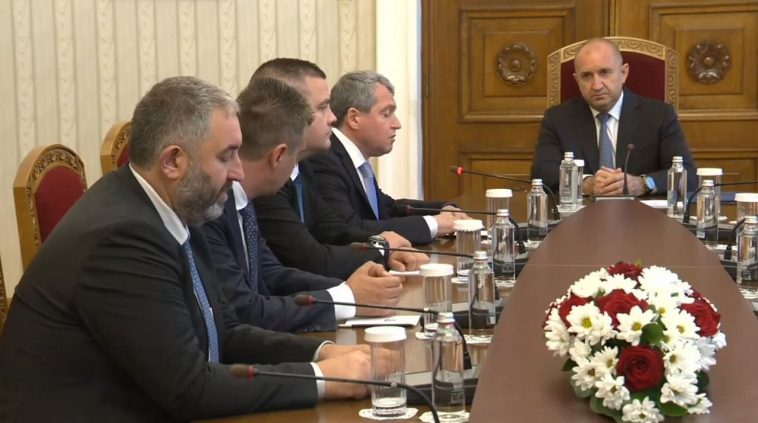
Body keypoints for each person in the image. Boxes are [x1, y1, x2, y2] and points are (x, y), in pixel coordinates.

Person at [0, 76, 372, 421]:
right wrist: (322, 378)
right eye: (227, 155)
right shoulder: (122, 236)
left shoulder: (177, 206)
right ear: (173, 161)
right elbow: (189, 388)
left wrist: (323, 353)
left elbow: (224, 330)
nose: (239, 172)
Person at [203, 76, 404, 334]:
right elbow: (245, 310)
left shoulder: (243, 201)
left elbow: (271, 272)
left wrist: (349, 290)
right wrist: (348, 297)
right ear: (279, 156)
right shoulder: (212, 210)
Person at [250, 59, 429, 278]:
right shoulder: (267, 181)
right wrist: (382, 250)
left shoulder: (302, 167)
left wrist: (382, 245)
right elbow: (312, 259)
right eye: (322, 107)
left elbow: (334, 229)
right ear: (286, 114)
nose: (333, 118)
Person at [306, 70, 467, 245]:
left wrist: (443, 209)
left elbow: (388, 207)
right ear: (354, 118)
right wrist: (434, 224)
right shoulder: (324, 159)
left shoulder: (353, 159)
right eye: (386, 114)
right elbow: (348, 227)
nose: (397, 124)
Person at [531, 38, 697, 196]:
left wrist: (643, 184)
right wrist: (585, 184)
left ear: (623, 73)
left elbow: (687, 174)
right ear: (577, 80)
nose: (597, 85)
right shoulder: (558, 118)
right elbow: (541, 173)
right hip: (583, 212)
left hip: (641, 212)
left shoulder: (659, 115)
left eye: (604, 72)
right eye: (587, 76)